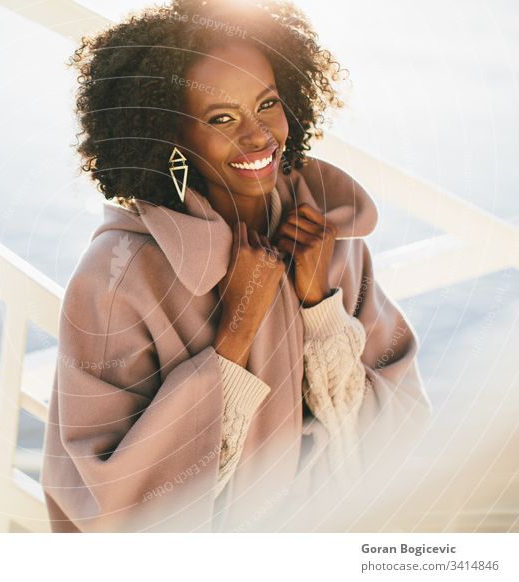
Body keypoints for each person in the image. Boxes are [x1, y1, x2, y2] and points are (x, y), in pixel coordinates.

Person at [40, 0, 432, 533]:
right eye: (220, 117)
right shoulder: (118, 281)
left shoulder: (327, 231)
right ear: (169, 136)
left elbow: (393, 432)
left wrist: (318, 304)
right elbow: (124, 514)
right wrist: (236, 335)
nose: (258, 135)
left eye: (267, 103)